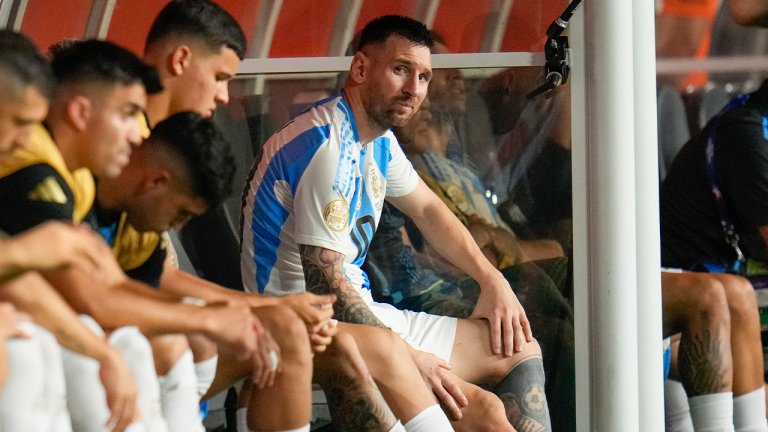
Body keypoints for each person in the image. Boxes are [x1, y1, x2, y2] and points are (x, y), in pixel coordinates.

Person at [242, 15, 553, 432]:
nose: (414, 90)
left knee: (517, 347)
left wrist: (491, 280)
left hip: (363, 315)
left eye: (424, 76)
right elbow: (326, 288)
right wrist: (408, 359)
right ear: (360, 69)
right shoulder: (326, 147)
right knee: (483, 412)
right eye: (401, 70)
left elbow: (429, 211)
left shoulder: (378, 140)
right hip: (307, 331)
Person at [0, 30, 143, 432]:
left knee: (65, 344)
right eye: (18, 122)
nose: (26, 139)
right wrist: (28, 251)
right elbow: (93, 299)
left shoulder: (69, 175)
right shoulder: (32, 167)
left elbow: (19, 285)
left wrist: (103, 353)